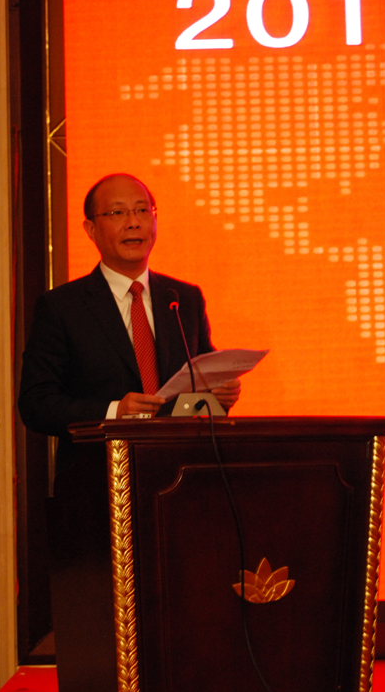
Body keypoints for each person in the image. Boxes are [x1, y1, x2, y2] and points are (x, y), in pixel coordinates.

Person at [19, 173, 241, 471]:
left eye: (142, 210)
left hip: (180, 471)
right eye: (118, 213)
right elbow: (36, 404)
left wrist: (220, 395)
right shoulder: (62, 306)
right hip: (98, 476)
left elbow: (202, 380)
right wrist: (114, 411)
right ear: (91, 229)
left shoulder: (183, 298)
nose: (133, 222)